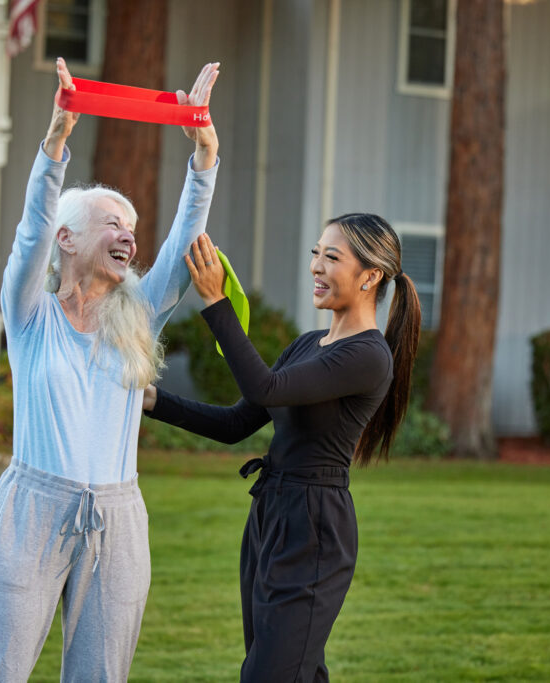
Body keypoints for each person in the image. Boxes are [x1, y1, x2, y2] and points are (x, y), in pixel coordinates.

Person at [0, 57, 220, 682]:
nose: (128, 236)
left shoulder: (139, 314)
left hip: (119, 519)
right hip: (32, 511)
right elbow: (29, 236)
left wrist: (204, 153)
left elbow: (187, 235)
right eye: (112, 223)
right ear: (68, 240)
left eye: (131, 227)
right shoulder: (30, 314)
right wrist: (55, 142)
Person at [143, 218, 421, 682]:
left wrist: (216, 301)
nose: (316, 266)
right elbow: (236, 423)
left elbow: (265, 387)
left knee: (269, 675)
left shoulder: (369, 356)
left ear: (370, 276)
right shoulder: (309, 345)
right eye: (316, 253)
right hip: (270, 515)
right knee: (291, 671)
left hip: (315, 526)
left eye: (332, 257)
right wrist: (150, 400)